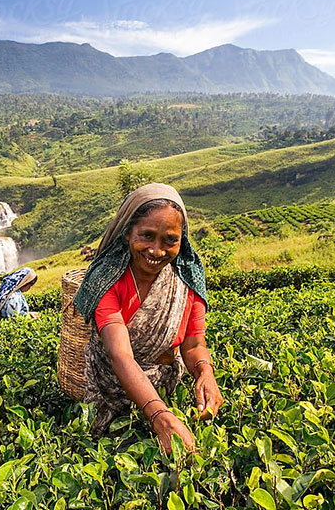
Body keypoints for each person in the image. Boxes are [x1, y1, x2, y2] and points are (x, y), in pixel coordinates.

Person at [74, 183, 223, 454]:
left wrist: (205, 373)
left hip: (166, 388)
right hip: (112, 390)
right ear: (128, 233)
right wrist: (160, 417)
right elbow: (121, 356)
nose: (156, 250)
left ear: (182, 239)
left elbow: (193, 346)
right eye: (147, 236)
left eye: (170, 240)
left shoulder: (186, 282)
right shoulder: (106, 282)